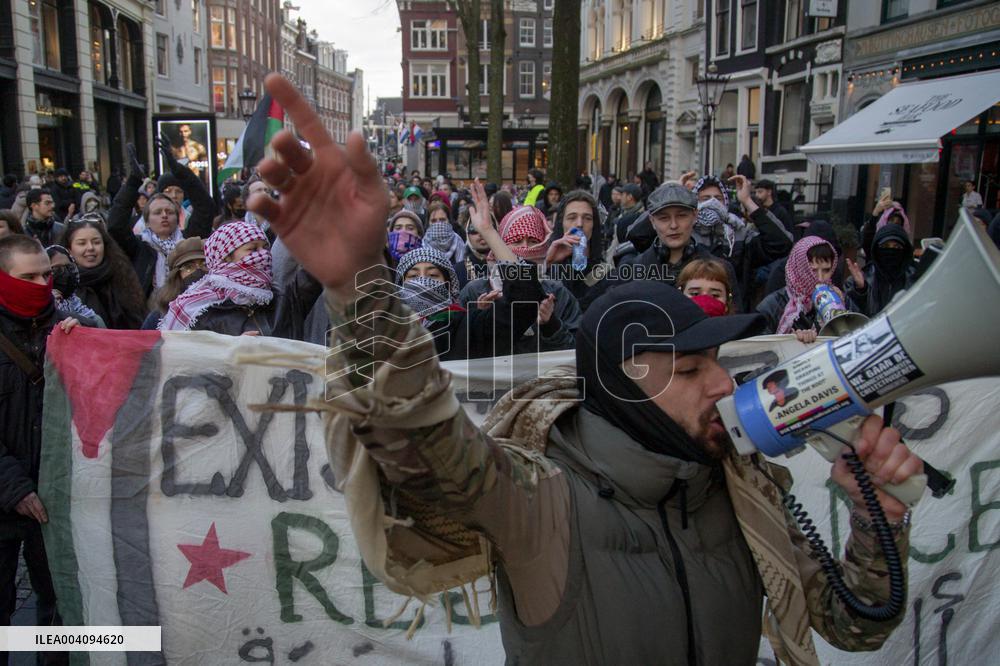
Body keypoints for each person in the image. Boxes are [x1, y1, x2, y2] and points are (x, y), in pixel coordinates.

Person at [247, 74, 920, 664]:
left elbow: (854, 625)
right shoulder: (539, 501)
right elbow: (421, 435)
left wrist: (876, 521)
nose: (721, 385)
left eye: (714, 361)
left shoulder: (742, 491)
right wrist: (361, 286)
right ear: (626, 390)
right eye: (687, 372)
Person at [0, 235, 80, 666]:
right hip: (7, 498)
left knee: (61, 611)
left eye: (45, 275)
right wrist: (15, 488)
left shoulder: (69, 326)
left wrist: (90, 345)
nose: (40, 284)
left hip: (55, 499)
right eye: (26, 277)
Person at [458, 205, 580, 353]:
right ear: (501, 246)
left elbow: (576, 351)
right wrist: (481, 318)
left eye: (533, 241)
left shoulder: (558, 293)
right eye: (517, 242)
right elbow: (459, 349)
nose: (525, 248)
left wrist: (551, 324)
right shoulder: (474, 292)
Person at [107, 141, 215, 297]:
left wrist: (180, 171)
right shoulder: (138, 247)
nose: (164, 215)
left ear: (177, 217)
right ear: (147, 219)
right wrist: (133, 182)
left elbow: (206, 207)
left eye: (169, 212)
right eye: (157, 212)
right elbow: (116, 225)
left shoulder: (189, 241)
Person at [158, 220, 298, 337]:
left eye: (265, 247)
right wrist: (231, 351)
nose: (263, 254)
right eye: (253, 249)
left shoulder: (278, 298)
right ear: (226, 257)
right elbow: (188, 361)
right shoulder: (198, 310)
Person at [756, 236, 859, 342]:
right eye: (813, 270)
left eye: (826, 270)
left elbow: (860, 328)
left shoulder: (838, 297)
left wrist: (859, 291)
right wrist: (791, 340)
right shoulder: (774, 304)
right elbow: (759, 345)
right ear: (799, 269)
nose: (819, 278)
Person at [59, 215, 147, 329]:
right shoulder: (62, 286)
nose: (90, 247)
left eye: (96, 242)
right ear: (69, 249)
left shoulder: (122, 278)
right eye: (82, 243)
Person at [544, 190, 607, 305]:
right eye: (572, 217)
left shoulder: (606, 274)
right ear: (561, 223)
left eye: (587, 218)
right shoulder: (548, 267)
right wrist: (547, 263)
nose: (579, 224)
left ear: (594, 225)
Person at [845, 224, 916, 317]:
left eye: (897, 247)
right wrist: (861, 292)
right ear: (876, 250)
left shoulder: (916, 280)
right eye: (885, 246)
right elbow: (854, 320)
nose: (891, 251)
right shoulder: (857, 281)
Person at [142, 238, 206, 330]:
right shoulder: (160, 316)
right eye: (189, 267)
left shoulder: (228, 307)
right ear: (177, 276)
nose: (197, 271)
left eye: (205, 264)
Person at [45, 245, 104, 327]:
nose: (66, 274)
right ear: (44, 273)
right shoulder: (40, 309)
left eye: (69, 267)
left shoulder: (86, 313)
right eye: (56, 269)